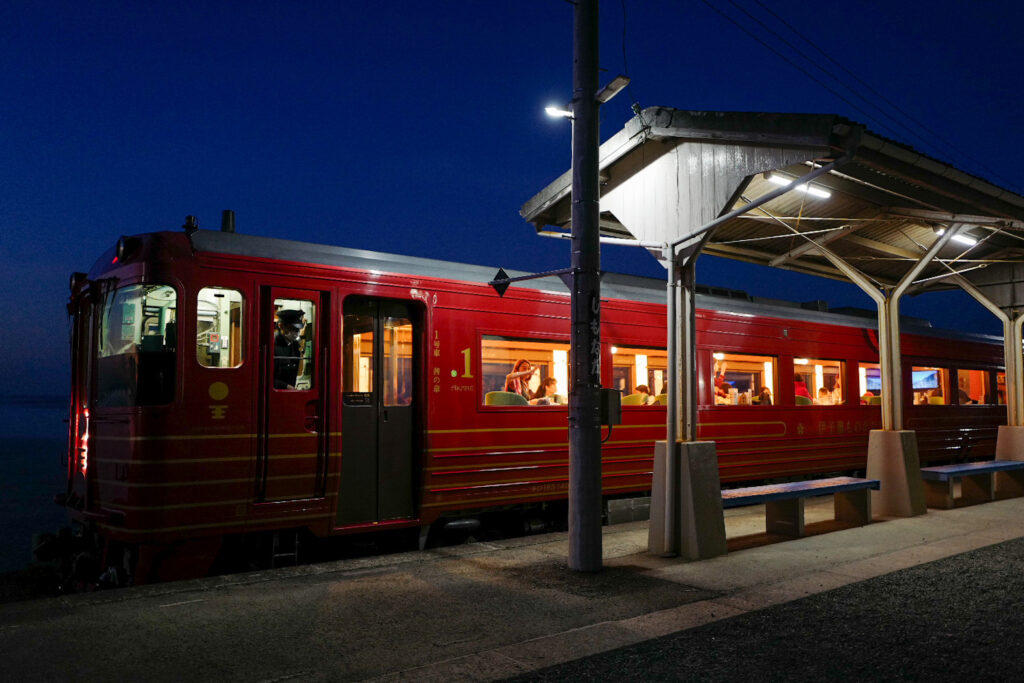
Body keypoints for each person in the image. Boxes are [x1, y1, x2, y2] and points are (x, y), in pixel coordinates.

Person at [274, 309, 305, 389]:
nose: (296, 333)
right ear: (281, 326)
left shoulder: (295, 346)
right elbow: (265, 377)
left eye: (298, 330)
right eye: (292, 328)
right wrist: (286, 386)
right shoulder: (272, 345)